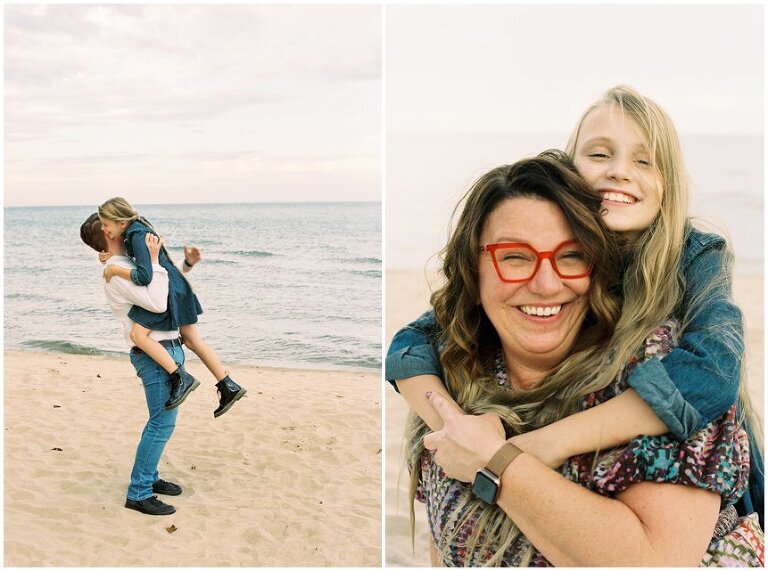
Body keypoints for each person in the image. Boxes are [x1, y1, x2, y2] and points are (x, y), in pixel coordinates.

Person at [387, 85, 763, 524]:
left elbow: (711, 373)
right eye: (600, 154)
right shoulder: (561, 249)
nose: (620, 172)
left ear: (670, 183)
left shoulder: (695, 254)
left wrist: (539, 446)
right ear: (568, 170)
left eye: (644, 160)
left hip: (721, 482)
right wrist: (452, 428)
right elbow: (410, 345)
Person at [98, 197, 246, 418]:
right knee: (192, 340)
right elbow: (149, 261)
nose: (103, 229)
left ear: (120, 222)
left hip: (170, 291)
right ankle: (228, 385)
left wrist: (115, 270)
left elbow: (144, 275)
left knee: (138, 334)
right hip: (178, 286)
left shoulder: (137, 235)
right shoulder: (139, 228)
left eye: (106, 224)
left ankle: (181, 378)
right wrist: (114, 255)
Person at [80, 213, 184, 516]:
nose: (128, 228)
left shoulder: (129, 266)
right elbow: (158, 303)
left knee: (160, 421)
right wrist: (152, 260)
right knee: (161, 424)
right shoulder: (121, 270)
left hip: (165, 348)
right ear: (108, 233)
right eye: (120, 224)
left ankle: (149, 479)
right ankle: (138, 492)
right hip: (152, 356)